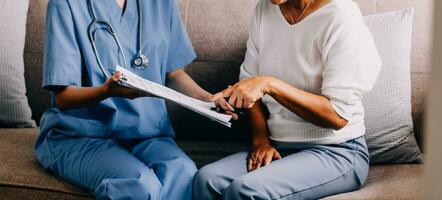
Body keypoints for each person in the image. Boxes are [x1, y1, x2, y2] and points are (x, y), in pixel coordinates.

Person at [35, 0, 236, 199]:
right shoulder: (65, 4)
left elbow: (173, 73)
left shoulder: (161, 4)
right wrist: (107, 91)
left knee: (183, 172)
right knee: (138, 185)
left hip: (147, 134)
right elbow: (63, 98)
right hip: (81, 134)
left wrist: (208, 99)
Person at [194, 0, 381, 199]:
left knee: (246, 190)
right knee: (207, 180)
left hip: (337, 151)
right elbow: (249, 83)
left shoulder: (341, 14)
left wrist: (270, 85)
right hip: (280, 146)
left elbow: (337, 116)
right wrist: (261, 142)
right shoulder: (264, 8)